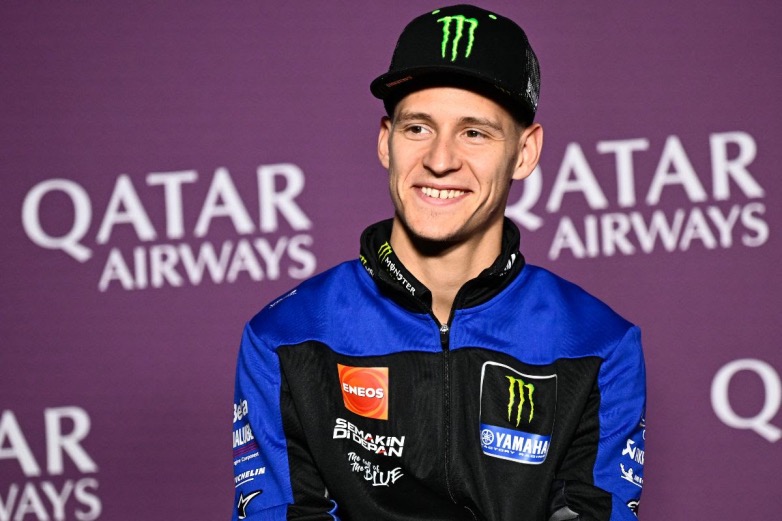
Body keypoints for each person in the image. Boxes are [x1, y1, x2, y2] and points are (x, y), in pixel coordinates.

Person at [231, 4, 646, 520]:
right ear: (386, 141)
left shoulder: (599, 343)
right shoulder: (285, 335)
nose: (440, 159)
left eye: (475, 132)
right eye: (418, 128)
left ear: (525, 152)